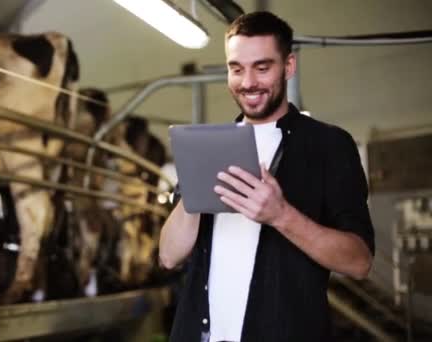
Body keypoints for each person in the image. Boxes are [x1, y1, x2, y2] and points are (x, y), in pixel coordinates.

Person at [159, 11, 375, 342]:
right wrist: (196, 191)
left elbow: (359, 262)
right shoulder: (210, 145)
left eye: (262, 68)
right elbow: (169, 255)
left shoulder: (328, 145)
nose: (247, 82)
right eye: (236, 69)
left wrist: (281, 215)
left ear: (288, 66)